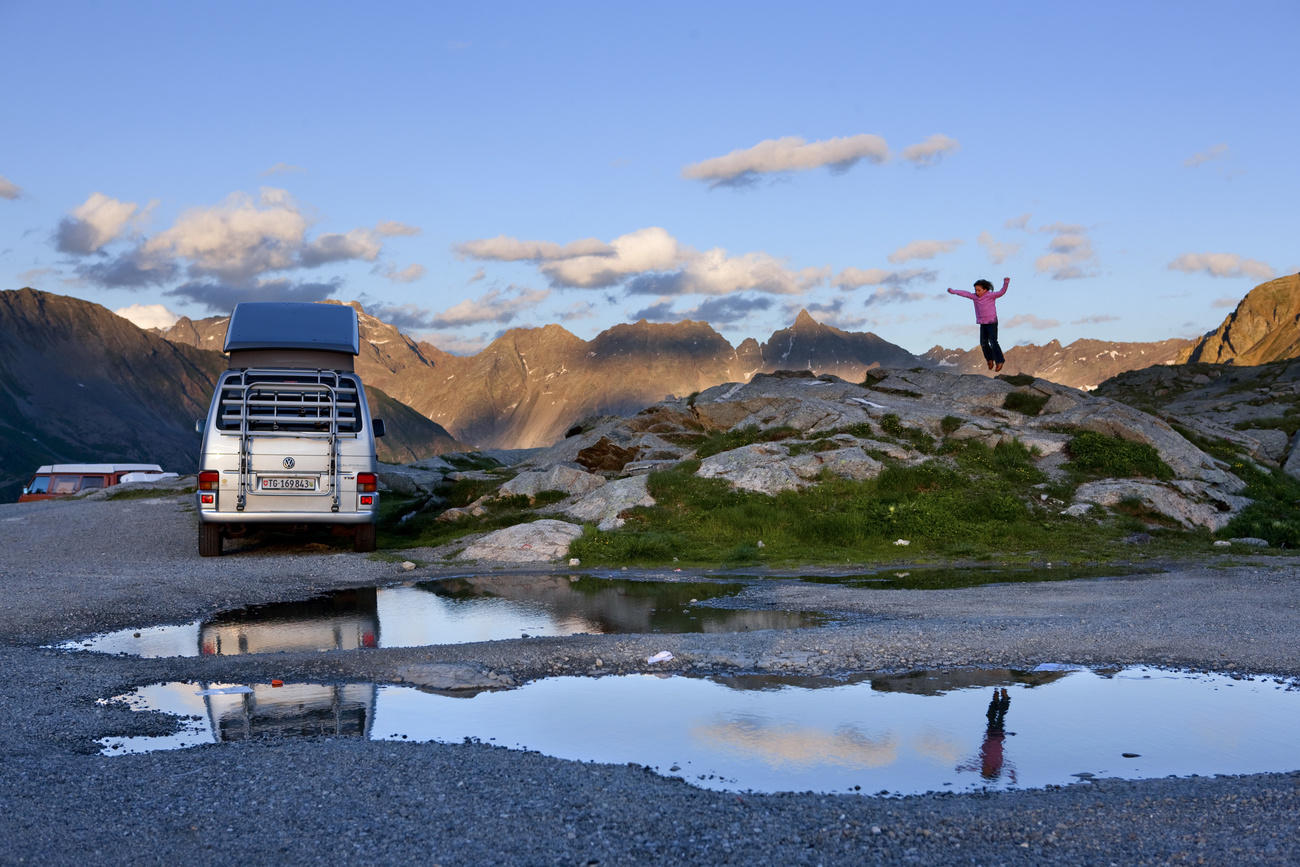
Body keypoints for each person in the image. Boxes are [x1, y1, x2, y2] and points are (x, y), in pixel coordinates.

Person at [947, 277, 1009, 371]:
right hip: (983, 323)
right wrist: (953, 291)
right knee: (983, 343)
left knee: (993, 342)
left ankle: (1000, 361)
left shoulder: (990, 295)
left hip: (992, 322)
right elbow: (965, 293)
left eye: (979, 290)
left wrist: (1006, 283)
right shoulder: (975, 297)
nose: (977, 292)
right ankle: (989, 359)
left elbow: (1001, 292)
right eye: (975, 290)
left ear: (985, 289)